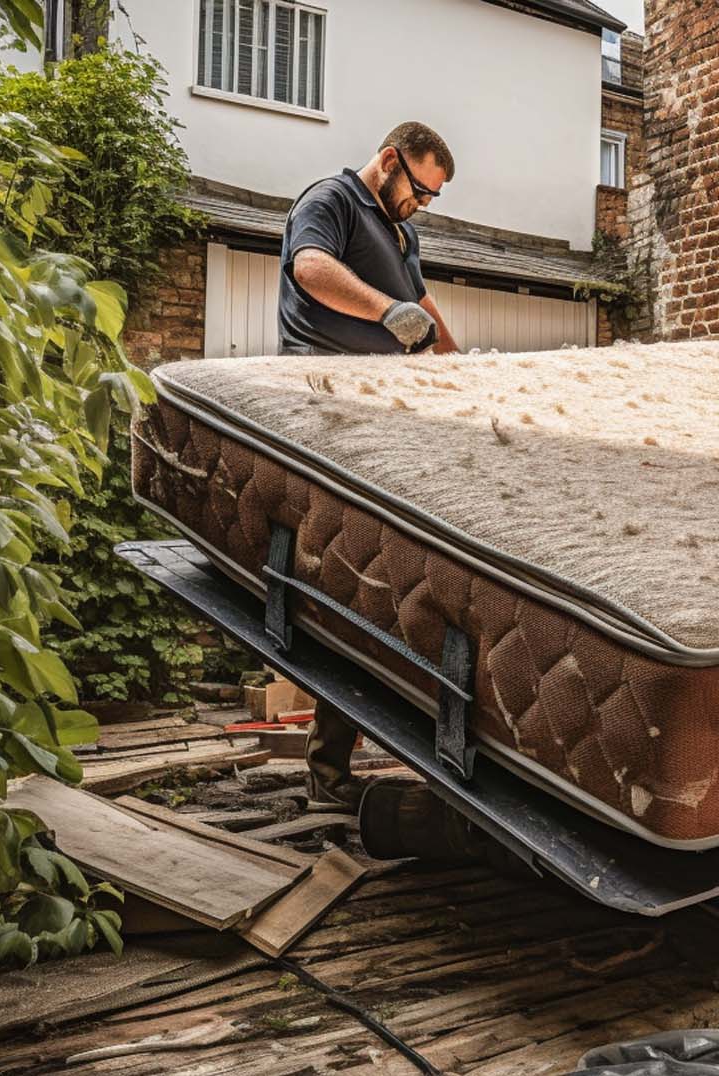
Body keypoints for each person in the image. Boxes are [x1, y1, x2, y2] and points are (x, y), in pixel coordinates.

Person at [279, 121, 458, 808]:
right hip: (326, 406)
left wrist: (464, 371)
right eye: (419, 190)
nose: (422, 205)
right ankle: (326, 772)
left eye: (432, 197)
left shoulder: (403, 233)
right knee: (345, 589)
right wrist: (388, 313)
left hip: (385, 419)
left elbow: (427, 312)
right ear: (388, 162)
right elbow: (312, 269)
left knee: (386, 592)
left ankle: (351, 760)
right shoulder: (331, 201)